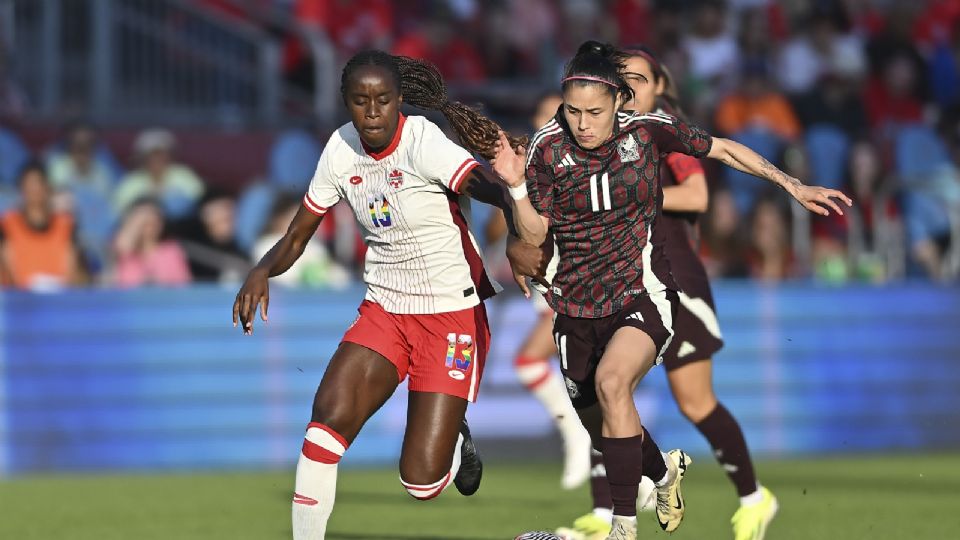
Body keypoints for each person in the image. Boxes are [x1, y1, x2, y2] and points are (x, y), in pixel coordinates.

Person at [492, 41, 850, 540]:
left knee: (614, 384)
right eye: (572, 111)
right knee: (604, 429)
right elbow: (532, 235)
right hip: (573, 305)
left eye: (594, 111)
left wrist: (792, 185)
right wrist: (514, 188)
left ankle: (621, 529)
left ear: (621, 102)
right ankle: (663, 472)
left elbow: (722, 148)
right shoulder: (546, 148)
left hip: (643, 294)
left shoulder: (649, 130)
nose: (583, 123)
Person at [232, 50, 526, 540]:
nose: (371, 112)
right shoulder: (340, 148)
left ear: (399, 101)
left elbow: (480, 184)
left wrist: (517, 206)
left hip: (450, 312)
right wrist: (262, 269)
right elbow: (300, 233)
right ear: (345, 102)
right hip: (385, 308)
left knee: (421, 483)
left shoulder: (422, 139)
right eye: (360, 100)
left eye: (383, 100)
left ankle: (454, 431)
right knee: (326, 420)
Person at [549, 45, 781, 540]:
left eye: (639, 80)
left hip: (674, 281)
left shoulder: (658, 130)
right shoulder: (588, 136)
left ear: (659, 88)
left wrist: (616, 194)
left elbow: (697, 194)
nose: (629, 89)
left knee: (691, 401)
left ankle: (754, 498)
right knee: (607, 394)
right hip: (607, 283)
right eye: (623, 80)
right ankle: (610, 507)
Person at [487, 91, 593, 491]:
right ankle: (640, 479)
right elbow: (499, 231)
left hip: (580, 283)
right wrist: (508, 190)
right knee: (592, 382)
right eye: (542, 113)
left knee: (538, 364)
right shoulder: (528, 167)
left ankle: (584, 442)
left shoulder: (577, 165)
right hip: (554, 283)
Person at [0, 161, 84, 290]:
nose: (34, 191)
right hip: (17, 302)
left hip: (59, 301)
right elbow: (6, 267)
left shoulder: (66, 226)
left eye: (38, 184)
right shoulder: (7, 225)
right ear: (21, 190)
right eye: (29, 186)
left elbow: (76, 273)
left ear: (47, 188)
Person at [112, 198, 192, 288]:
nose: (149, 226)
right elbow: (121, 247)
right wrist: (137, 221)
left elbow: (184, 286)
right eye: (144, 224)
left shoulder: (171, 250)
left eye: (154, 222)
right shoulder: (125, 253)